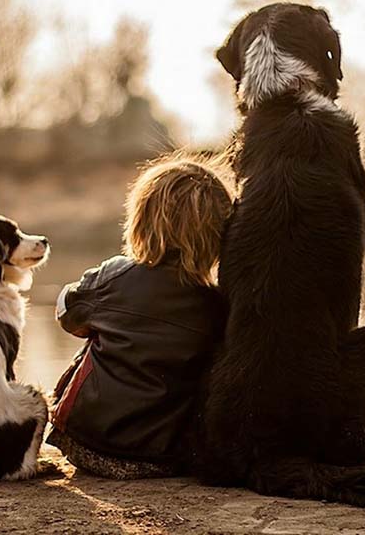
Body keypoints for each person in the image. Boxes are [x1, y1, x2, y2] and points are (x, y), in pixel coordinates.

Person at [46, 156, 233, 479]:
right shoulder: (217, 305)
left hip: (86, 443)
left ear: (141, 219)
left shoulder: (116, 276)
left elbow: (66, 313)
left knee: (97, 335)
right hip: (163, 457)